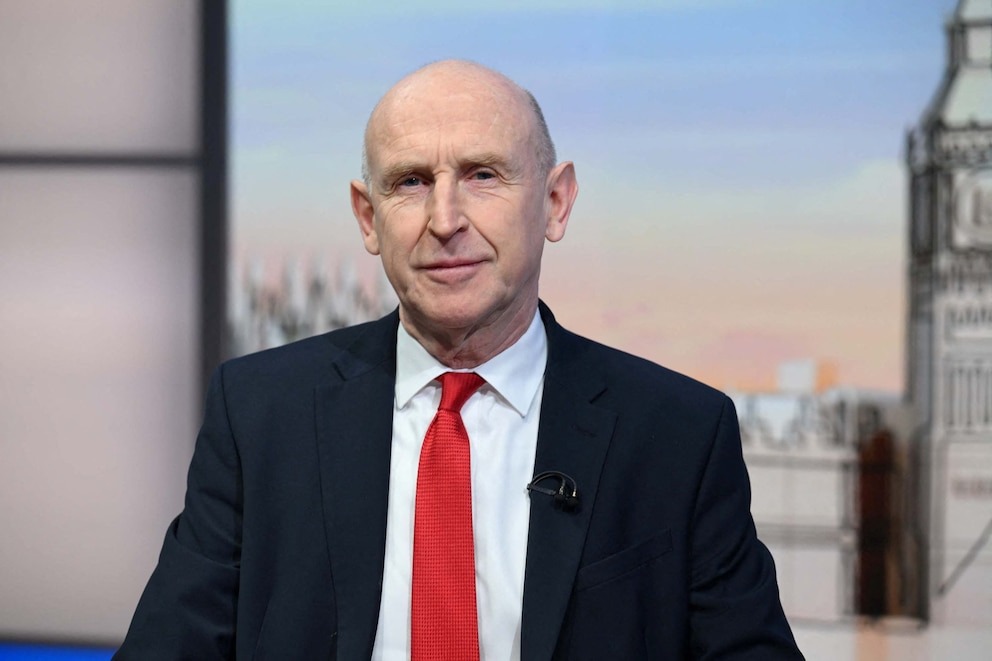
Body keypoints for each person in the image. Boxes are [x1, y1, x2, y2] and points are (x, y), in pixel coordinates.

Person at [116, 59, 803, 660]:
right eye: (411, 182)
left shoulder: (678, 433)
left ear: (555, 202)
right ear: (368, 217)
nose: (445, 220)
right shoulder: (260, 413)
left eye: (482, 175)